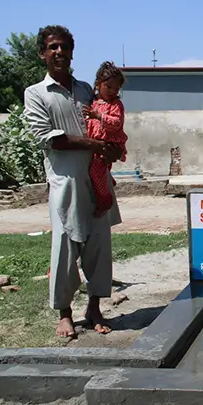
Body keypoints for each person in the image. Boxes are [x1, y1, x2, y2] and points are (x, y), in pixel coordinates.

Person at [23, 25, 123, 338]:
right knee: (65, 248)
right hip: (64, 182)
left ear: (71, 52)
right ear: (42, 53)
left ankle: (94, 307)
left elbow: (107, 123)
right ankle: (64, 313)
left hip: (97, 180)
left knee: (98, 245)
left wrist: (110, 148)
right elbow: (47, 138)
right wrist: (93, 145)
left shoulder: (85, 91)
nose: (59, 53)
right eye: (52, 47)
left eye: (64, 47)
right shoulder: (37, 94)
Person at [83, 61, 128, 217]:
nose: (112, 91)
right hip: (95, 145)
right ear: (98, 84)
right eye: (108, 87)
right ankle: (108, 183)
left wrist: (99, 116)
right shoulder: (93, 103)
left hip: (109, 144)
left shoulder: (116, 104)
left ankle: (105, 201)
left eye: (116, 89)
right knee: (96, 171)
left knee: (96, 169)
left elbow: (116, 123)